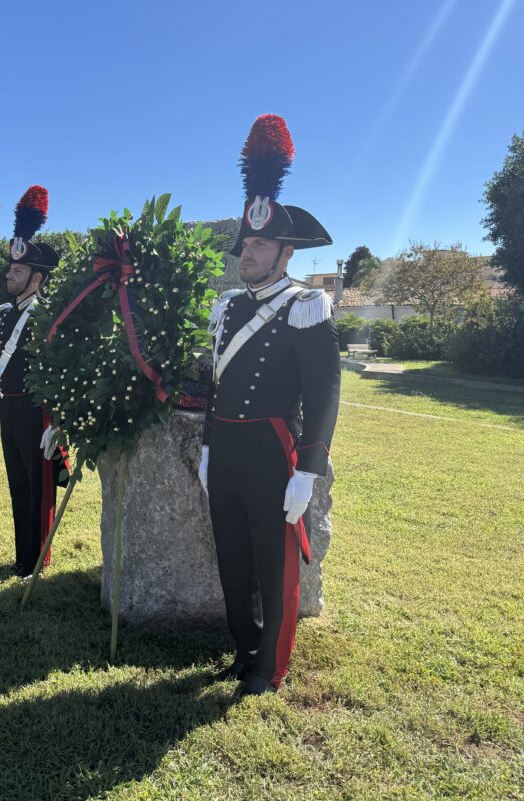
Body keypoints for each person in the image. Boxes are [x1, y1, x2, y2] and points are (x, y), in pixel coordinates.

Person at [198, 115, 341, 695]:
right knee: (231, 557)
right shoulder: (229, 306)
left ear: (285, 253)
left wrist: (307, 470)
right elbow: (214, 383)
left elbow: (325, 393)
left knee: (273, 561)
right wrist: (208, 443)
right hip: (227, 447)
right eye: (246, 244)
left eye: (259, 245)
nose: (247, 254)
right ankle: (243, 645)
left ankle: (270, 665)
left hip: (271, 449)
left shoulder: (306, 306)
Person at [0, 185, 66, 578]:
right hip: (8, 408)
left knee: (39, 489)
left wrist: (58, 424)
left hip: (36, 413)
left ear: (36, 278)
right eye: (10, 268)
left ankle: (38, 557)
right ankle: (22, 556)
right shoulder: (5, 314)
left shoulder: (46, 316)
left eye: (17, 270)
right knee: (18, 486)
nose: (10, 274)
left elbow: (58, 372)